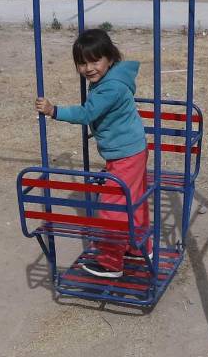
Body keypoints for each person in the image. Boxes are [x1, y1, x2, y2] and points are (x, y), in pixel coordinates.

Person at [34, 29, 150, 278]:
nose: (88, 68)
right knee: (133, 199)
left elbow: (87, 113)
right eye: (82, 63)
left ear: (110, 58)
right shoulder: (111, 79)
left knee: (112, 207)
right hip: (131, 150)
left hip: (125, 155)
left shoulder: (111, 88)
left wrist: (54, 111)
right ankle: (138, 247)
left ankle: (110, 262)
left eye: (95, 61)